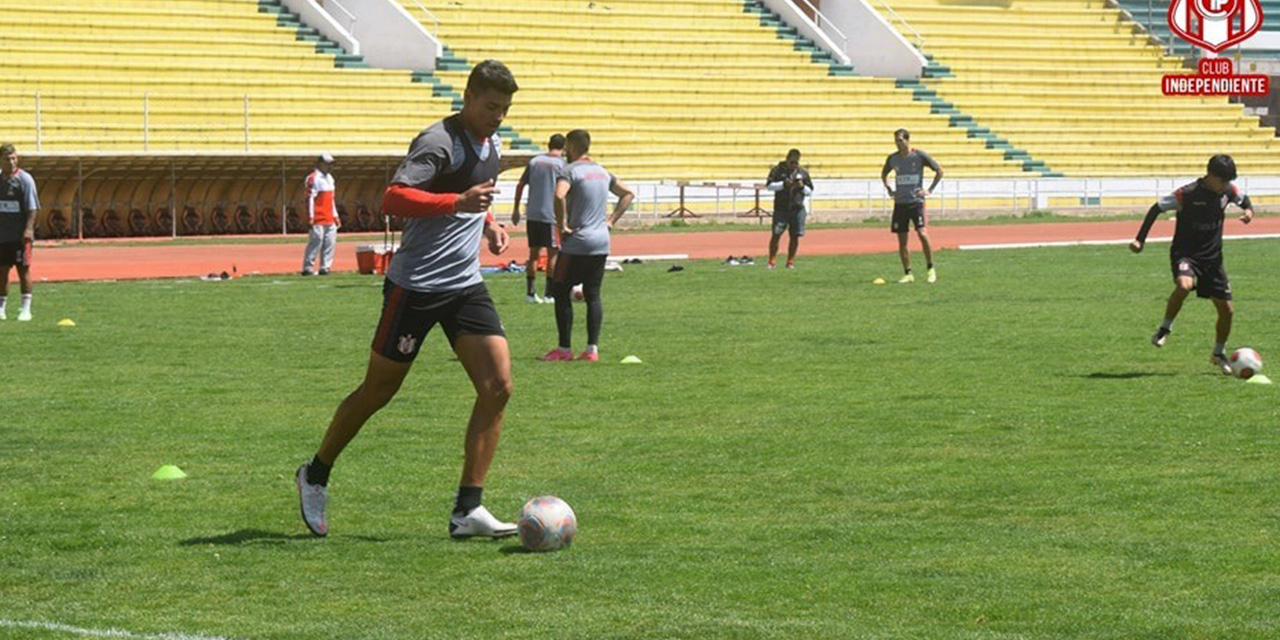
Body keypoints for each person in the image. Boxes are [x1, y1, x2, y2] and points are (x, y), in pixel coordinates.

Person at [295, 60, 518, 539]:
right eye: (491, 107)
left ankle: (467, 511)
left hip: (464, 285)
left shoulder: (492, 143)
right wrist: (456, 204)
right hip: (414, 287)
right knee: (378, 391)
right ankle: (315, 473)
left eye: (505, 109)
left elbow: (475, 200)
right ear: (469, 97)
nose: (498, 117)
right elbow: (393, 199)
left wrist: (490, 224)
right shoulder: (437, 141)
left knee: (498, 386)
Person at [1130, 154, 1254, 374]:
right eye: (1223, 180)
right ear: (1211, 175)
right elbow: (1156, 208)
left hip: (1213, 259)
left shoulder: (1228, 191)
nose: (1226, 185)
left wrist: (1248, 212)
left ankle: (1218, 354)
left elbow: (1244, 201)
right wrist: (1140, 239)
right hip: (1185, 253)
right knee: (1185, 285)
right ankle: (1164, 328)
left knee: (1227, 310)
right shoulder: (1186, 194)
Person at [538, 129, 635, 362]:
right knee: (593, 294)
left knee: (560, 291)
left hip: (577, 242)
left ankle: (564, 349)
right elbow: (628, 193)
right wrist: (610, 222)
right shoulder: (602, 171)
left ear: (570, 146)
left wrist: (562, 225)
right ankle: (592, 349)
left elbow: (559, 195)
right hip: (601, 240)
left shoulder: (569, 171)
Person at [881, 129, 942, 283]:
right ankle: (908, 273)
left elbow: (939, 171)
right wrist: (889, 189)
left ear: (907, 140)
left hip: (916, 202)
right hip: (900, 203)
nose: (898, 143)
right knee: (902, 240)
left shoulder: (919, 156)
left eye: (900, 140)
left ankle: (930, 268)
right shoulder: (893, 158)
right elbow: (884, 174)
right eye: (896, 140)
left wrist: (929, 190)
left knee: (922, 233)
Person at [511, 134, 567, 303]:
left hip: (533, 214)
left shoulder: (534, 161)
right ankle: (549, 294)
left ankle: (530, 293)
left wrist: (516, 209)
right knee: (553, 255)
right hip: (551, 215)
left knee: (533, 254)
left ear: (548, 144)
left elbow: (520, 184)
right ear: (564, 147)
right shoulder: (562, 165)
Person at [0, 143, 39, 322]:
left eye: (14, 158)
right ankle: (1, 308)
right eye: (8, 159)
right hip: (2, 235)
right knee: (2, 272)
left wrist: (28, 229)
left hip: (20, 236)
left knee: (23, 271)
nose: (12, 162)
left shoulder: (25, 180)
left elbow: (32, 208)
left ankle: (25, 309)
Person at [765, 149, 813, 270]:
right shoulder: (777, 170)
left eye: (796, 162)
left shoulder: (802, 173)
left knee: (795, 235)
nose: (794, 165)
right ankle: (771, 261)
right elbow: (769, 186)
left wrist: (801, 187)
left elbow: (810, 191)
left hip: (797, 208)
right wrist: (783, 184)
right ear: (787, 159)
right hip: (781, 208)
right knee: (776, 234)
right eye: (792, 162)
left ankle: (790, 262)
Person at [301, 153, 339, 276]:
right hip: (317, 217)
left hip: (329, 217)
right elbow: (310, 199)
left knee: (330, 242)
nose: (330, 167)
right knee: (316, 242)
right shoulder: (313, 178)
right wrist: (311, 216)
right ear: (320, 163)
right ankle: (308, 267)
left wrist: (335, 215)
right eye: (328, 164)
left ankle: (325, 267)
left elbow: (331, 199)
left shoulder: (330, 178)